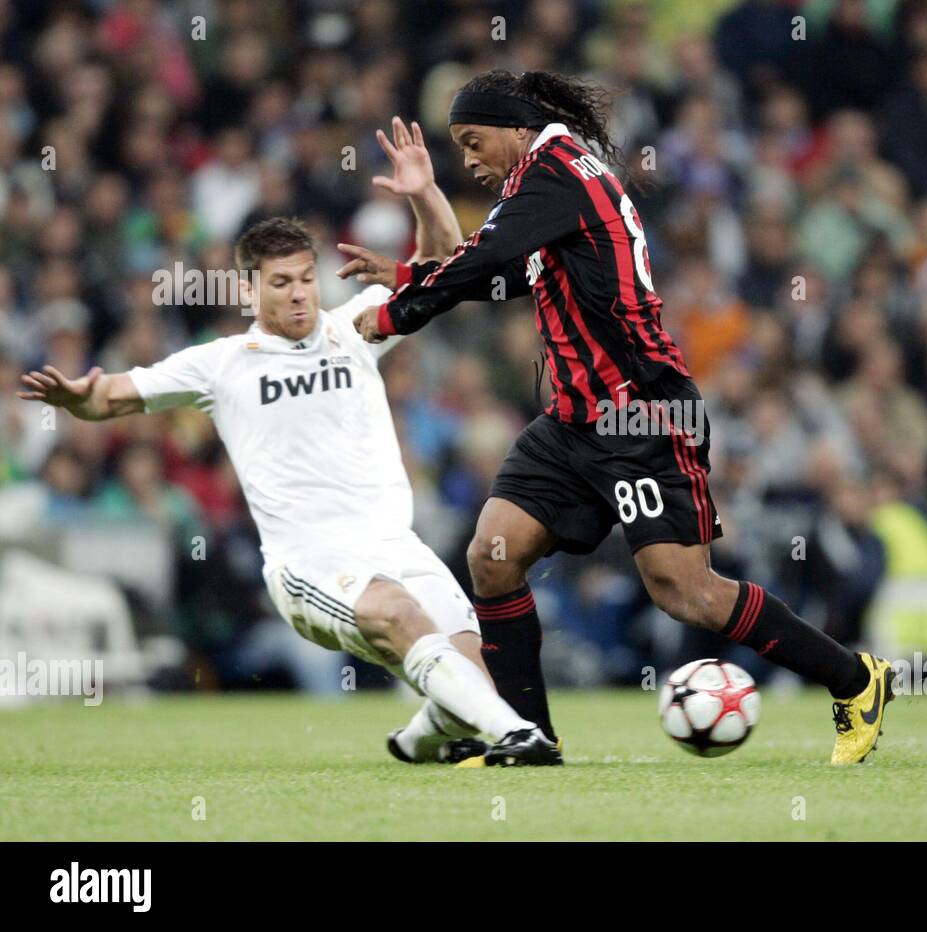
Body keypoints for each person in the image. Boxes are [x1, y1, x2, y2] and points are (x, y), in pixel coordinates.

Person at [338, 71, 895, 765]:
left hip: (642, 414)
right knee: (493, 555)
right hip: (573, 419)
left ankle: (855, 678)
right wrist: (407, 278)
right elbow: (514, 274)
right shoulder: (547, 180)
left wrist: (399, 312)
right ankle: (529, 736)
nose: (470, 160)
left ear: (516, 129)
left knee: (685, 593)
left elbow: (490, 257)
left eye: (474, 142)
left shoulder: (556, 170)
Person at [19, 178, 554, 766]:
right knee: (402, 619)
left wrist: (425, 191)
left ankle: (419, 740)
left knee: (466, 675)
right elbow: (116, 396)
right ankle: (517, 735)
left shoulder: (353, 329)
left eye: (305, 278)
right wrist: (80, 397)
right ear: (251, 290)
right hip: (312, 562)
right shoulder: (220, 364)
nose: (300, 294)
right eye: (281, 283)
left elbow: (439, 269)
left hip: (396, 546)